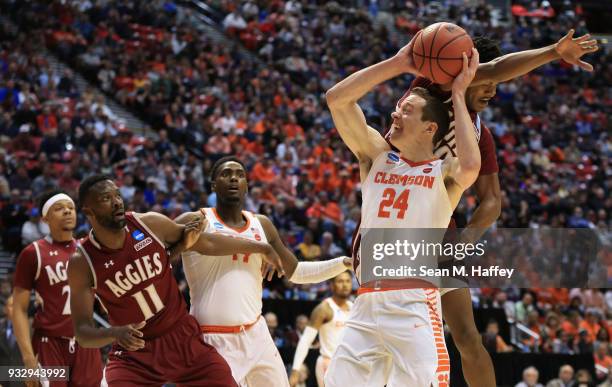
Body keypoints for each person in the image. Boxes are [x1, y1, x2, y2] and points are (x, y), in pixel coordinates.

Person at [362, 29, 598, 387]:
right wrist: (552, 51)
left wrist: (461, 246)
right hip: (390, 219)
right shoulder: (431, 89)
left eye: (495, 85)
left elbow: (492, 202)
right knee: (379, 339)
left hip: (437, 231)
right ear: (461, 72)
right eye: (485, 81)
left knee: (468, 338)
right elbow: (495, 69)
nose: (491, 89)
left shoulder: (479, 135)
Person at [323, 35, 481, 385]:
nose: (396, 112)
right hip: (365, 303)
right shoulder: (377, 156)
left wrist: (458, 94)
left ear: (430, 128)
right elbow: (336, 99)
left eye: (407, 110)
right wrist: (398, 63)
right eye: (399, 107)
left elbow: (471, 167)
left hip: (413, 305)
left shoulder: (443, 172)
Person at [68, 174, 284, 386]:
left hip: (182, 337)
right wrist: (114, 333)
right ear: (89, 211)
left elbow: (207, 243)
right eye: (106, 199)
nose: (116, 202)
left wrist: (262, 247)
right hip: (136, 353)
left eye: (117, 195)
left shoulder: (149, 223)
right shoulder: (82, 262)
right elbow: (83, 333)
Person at [176, 156, 352, 387]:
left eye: (239, 175)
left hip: (256, 334)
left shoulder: (262, 224)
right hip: (212, 338)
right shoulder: (197, 220)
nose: (233, 178)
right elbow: (154, 246)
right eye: (226, 174)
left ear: (247, 186)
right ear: (213, 185)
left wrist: (343, 263)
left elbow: (296, 271)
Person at [12, 189, 103, 386]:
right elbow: (18, 308)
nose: (68, 211)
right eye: (59, 208)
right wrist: (28, 358)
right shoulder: (33, 253)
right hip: (50, 344)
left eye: (71, 207)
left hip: (86, 342)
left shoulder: (87, 250)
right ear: (45, 219)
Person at [289, 271, 353, 387]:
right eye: (340, 281)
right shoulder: (324, 309)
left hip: (349, 364)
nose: (345, 285)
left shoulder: (353, 307)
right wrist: (295, 370)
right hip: (328, 363)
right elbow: (305, 341)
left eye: (348, 281)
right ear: (332, 285)